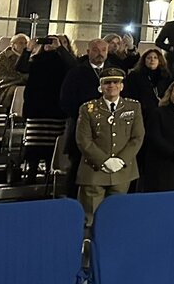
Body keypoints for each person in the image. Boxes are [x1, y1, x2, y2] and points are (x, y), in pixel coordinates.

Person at [75, 68, 144, 226]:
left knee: (117, 217)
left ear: (122, 86)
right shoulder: (88, 109)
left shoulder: (133, 107)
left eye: (116, 82)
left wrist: (121, 159)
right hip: (94, 171)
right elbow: (83, 140)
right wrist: (104, 161)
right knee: (90, 218)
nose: (111, 85)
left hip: (122, 171)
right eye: (107, 82)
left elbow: (137, 137)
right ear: (100, 87)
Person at [15, 34, 76, 180]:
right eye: (47, 41)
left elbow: (74, 66)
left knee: (53, 146)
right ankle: (31, 174)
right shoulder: (36, 60)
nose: (50, 44)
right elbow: (21, 68)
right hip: (37, 108)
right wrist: (28, 49)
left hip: (56, 109)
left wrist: (60, 49)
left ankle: (50, 173)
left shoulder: (64, 62)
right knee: (34, 146)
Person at [59, 37, 111, 197]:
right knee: (77, 169)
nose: (99, 54)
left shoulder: (113, 72)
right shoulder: (76, 72)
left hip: (107, 130)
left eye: (103, 50)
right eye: (95, 50)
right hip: (82, 127)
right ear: (88, 52)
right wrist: (86, 119)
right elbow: (66, 101)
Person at [0, 33, 28, 121]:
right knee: (14, 90)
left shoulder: (29, 56)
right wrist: (19, 78)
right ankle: (12, 115)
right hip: (4, 84)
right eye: (21, 43)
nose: (24, 45)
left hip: (23, 82)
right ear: (13, 44)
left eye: (26, 43)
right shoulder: (4, 56)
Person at [123, 48, 172, 115]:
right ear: (144, 60)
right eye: (149, 58)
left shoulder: (166, 76)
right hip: (140, 110)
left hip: (160, 110)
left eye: (155, 58)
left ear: (160, 61)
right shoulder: (134, 75)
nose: (152, 60)